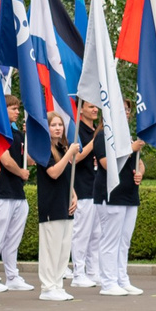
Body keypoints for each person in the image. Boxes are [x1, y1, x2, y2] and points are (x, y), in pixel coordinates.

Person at [31, 111, 80, 301]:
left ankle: (57, 284)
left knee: (63, 248)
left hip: (64, 203)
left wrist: (73, 194)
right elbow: (53, 173)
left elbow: (66, 176)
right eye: (54, 125)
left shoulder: (61, 147)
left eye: (60, 125)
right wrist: (69, 153)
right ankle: (48, 287)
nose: (58, 128)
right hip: (51, 204)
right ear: (47, 128)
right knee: (51, 248)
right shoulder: (44, 149)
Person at [0, 102, 31, 292]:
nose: (17, 112)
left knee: (13, 240)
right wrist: (21, 172)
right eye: (13, 108)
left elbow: (29, 160)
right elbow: (5, 160)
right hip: (2, 193)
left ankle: (12, 276)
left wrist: (31, 137)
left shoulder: (18, 135)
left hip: (17, 193)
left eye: (18, 108)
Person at [97, 129, 145, 295]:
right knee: (110, 240)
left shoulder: (127, 136)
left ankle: (122, 279)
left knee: (124, 241)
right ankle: (108, 283)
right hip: (111, 194)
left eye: (127, 114)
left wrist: (140, 173)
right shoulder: (103, 135)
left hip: (130, 194)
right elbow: (106, 163)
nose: (125, 115)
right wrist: (130, 148)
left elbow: (139, 163)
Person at [68, 103, 107, 290]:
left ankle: (93, 271)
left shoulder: (95, 130)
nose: (95, 110)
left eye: (96, 107)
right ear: (80, 110)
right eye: (90, 106)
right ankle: (78, 273)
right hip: (82, 187)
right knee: (81, 234)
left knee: (96, 234)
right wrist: (96, 141)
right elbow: (75, 157)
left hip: (96, 187)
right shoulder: (76, 130)